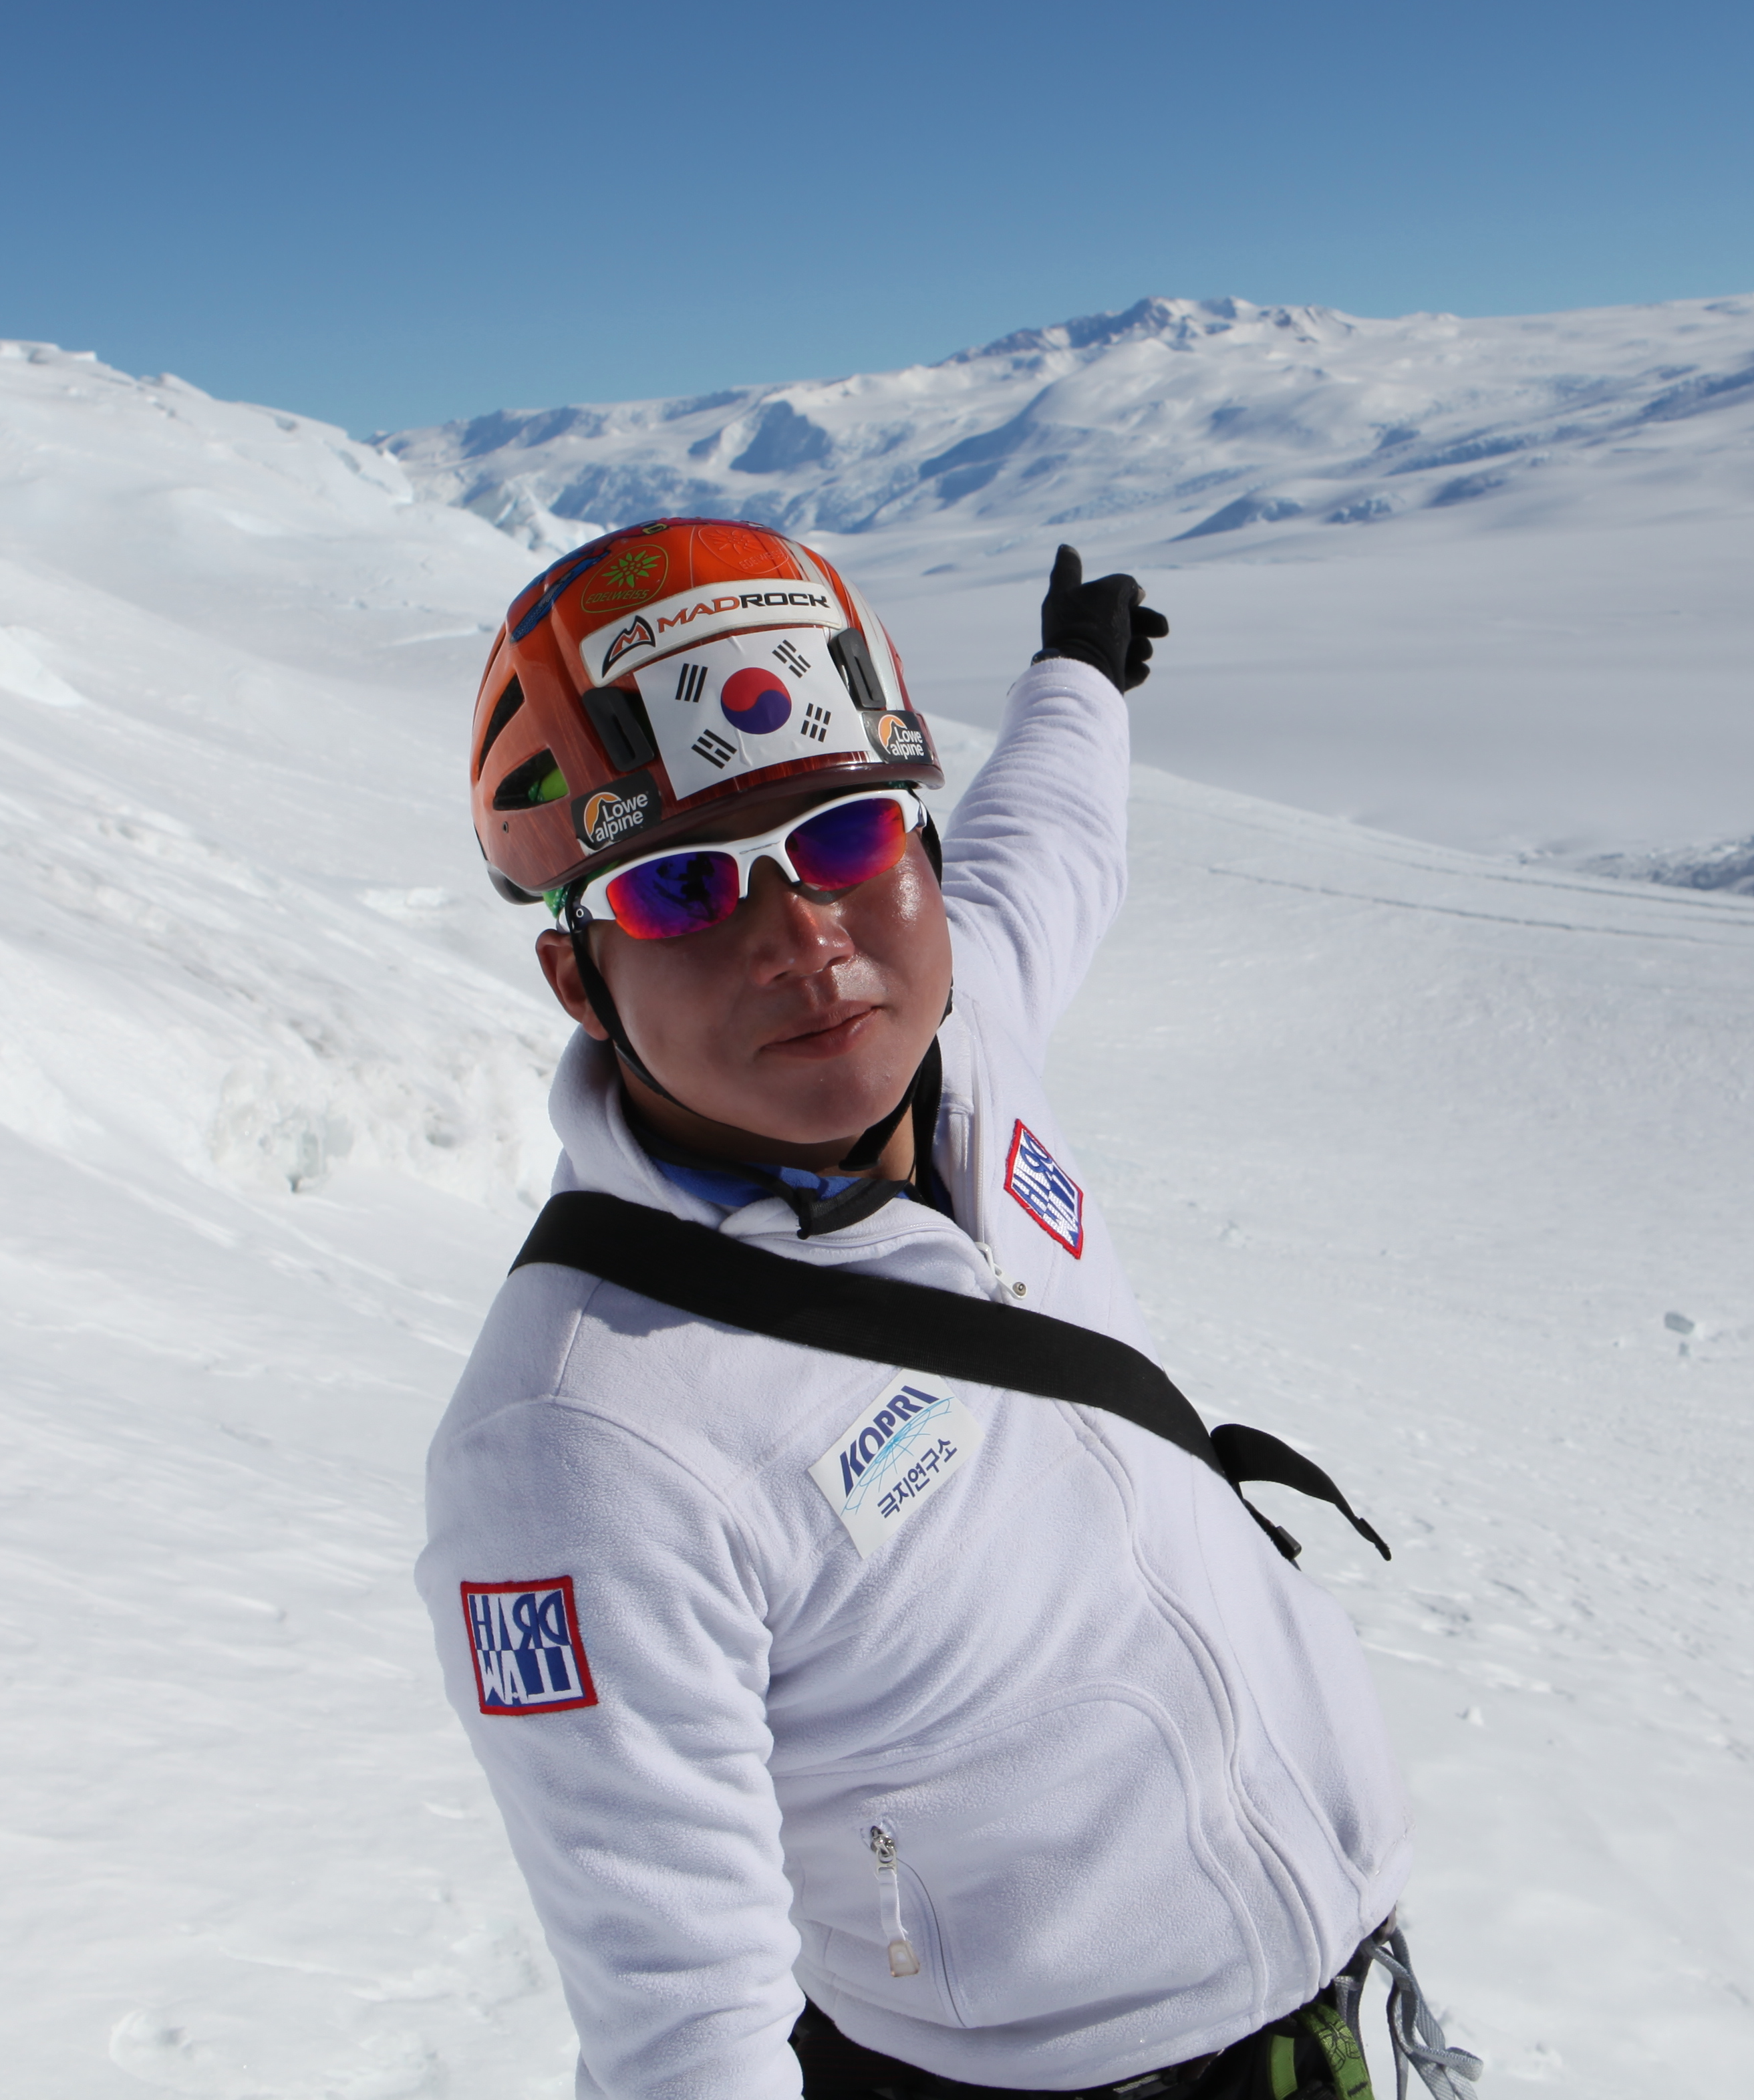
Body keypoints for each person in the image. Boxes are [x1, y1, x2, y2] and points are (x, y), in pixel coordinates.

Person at [417, 519, 1443, 2100]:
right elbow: (683, 2037)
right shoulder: (577, 1443)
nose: (802, 937)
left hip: (1346, 2010)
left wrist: (1079, 674)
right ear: (579, 980)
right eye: (686, 885)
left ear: (922, 863)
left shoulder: (968, 1046)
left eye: (842, 839)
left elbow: (1054, 837)